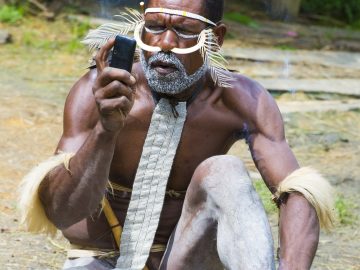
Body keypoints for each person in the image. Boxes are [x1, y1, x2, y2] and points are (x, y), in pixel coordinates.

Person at [19, 0, 334, 269]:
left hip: (185, 258)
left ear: (216, 37)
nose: (166, 43)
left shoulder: (242, 100)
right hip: (101, 259)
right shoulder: (100, 90)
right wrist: (106, 127)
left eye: (184, 31)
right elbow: (62, 212)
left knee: (225, 171)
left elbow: (298, 194)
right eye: (154, 27)